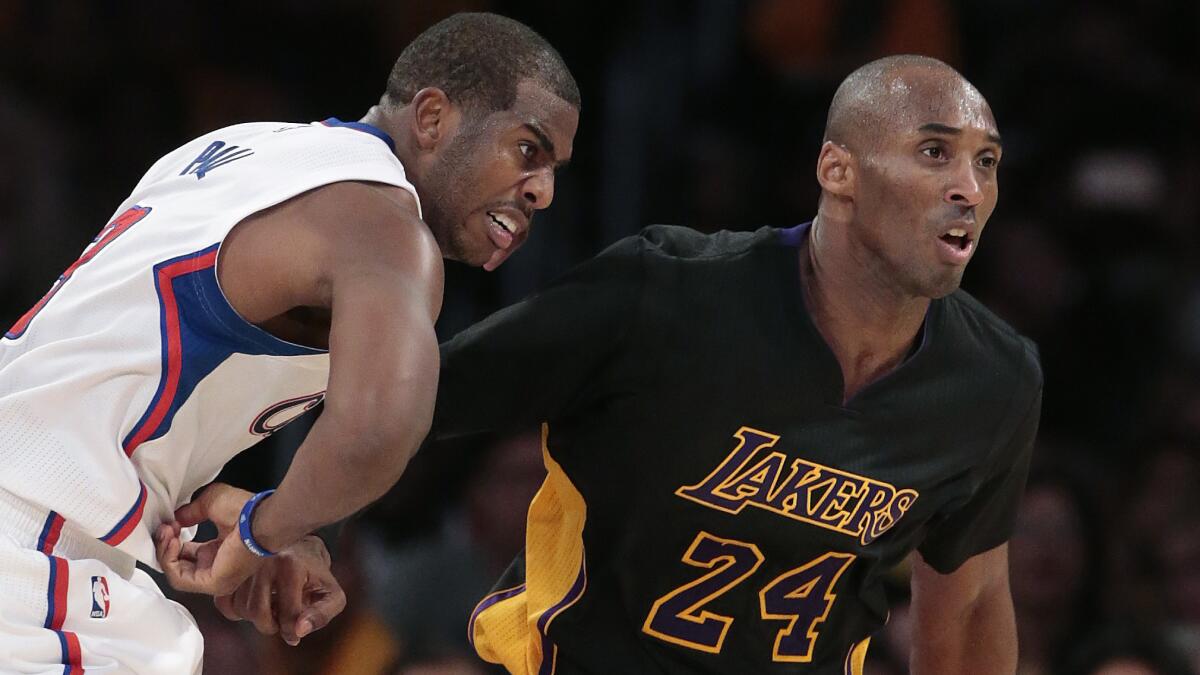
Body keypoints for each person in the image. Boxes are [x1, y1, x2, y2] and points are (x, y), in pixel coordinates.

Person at [0, 12, 578, 674]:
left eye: (556, 168)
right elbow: (381, 426)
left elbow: (121, 367)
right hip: (31, 550)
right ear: (433, 118)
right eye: (528, 150)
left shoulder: (244, 149)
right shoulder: (385, 226)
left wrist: (258, 513)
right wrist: (266, 531)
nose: (543, 190)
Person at [431, 54, 1040, 673]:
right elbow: (416, 396)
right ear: (838, 170)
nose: (969, 187)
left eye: (987, 162)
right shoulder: (668, 295)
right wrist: (324, 528)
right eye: (935, 152)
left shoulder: (991, 380)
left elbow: (972, 602)